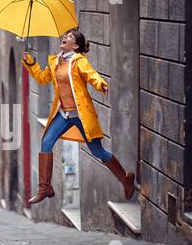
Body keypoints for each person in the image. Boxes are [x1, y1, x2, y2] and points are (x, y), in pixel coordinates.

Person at [22, 28, 135, 205]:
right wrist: (30, 63)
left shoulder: (78, 61)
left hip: (80, 115)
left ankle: (125, 179)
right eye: (65, 36)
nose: (64, 38)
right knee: (46, 142)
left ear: (75, 45)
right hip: (63, 114)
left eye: (69, 37)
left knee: (98, 151)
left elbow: (91, 75)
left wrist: (100, 84)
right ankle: (45, 188)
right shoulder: (56, 61)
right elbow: (43, 78)